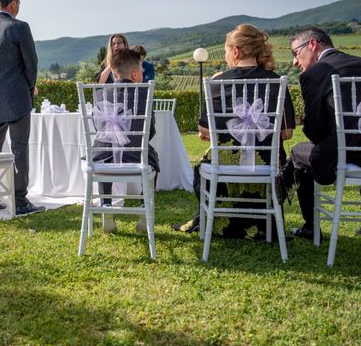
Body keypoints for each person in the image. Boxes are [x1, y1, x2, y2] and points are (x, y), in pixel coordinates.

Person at [173, 24, 295, 237]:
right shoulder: (277, 81)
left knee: (204, 166)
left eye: (227, 50)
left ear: (236, 51)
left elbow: (204, 131)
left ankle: (222, 221)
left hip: (226, 165)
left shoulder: (217, 82)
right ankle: (260, 224)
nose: (227, 54)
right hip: (267, 163)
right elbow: (287, 133)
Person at [283, 26, 361, 241]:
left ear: (313, 44)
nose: (295, 62)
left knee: (299, 151)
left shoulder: (316, 73)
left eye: (296, 53)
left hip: (343, 154)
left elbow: (315, 131)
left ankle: (311, 226)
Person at [0, 0, 44, 215]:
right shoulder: (20, 27)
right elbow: (31, 64)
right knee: (19, 149)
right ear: (13, 3)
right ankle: (20, 200)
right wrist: (30, 87)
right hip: (17, 99)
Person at [92, 47, 160, 233]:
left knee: (105, 153)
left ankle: (106, 206)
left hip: (102, 158)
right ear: (136, 73)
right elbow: (150, 131)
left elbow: (98, 128)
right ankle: (142, 210)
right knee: (153, 157)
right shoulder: (145, 94)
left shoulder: (99, 94)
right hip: (135, 158)